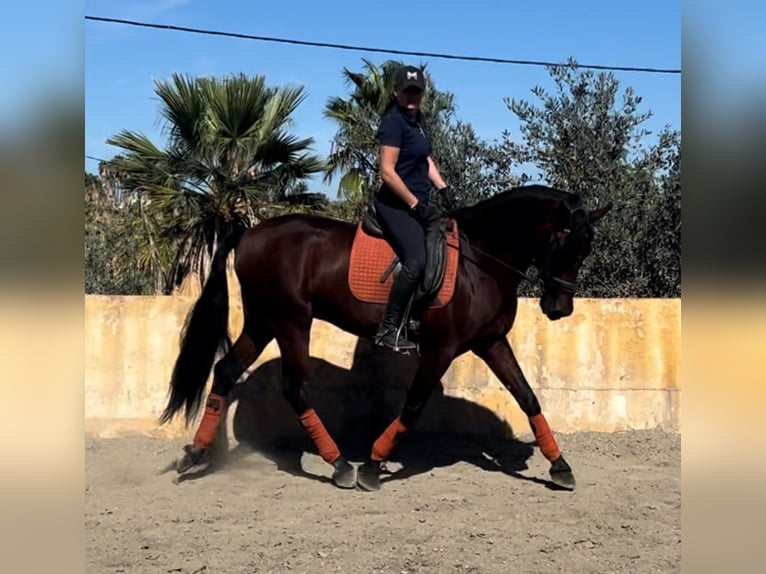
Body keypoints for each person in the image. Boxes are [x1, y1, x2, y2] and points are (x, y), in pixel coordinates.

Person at [372, 64, 458, 352]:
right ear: (396, 92)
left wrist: (444, 189)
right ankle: (389, 328)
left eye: (417, 92)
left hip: (418, 202)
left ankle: (418, 317)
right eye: (407, 91)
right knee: (417, 260)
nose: (412, 97)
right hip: (394, 205)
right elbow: (387, 171)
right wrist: (414, 204)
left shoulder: (417, 120)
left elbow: (426, 161)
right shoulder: (393, 123)